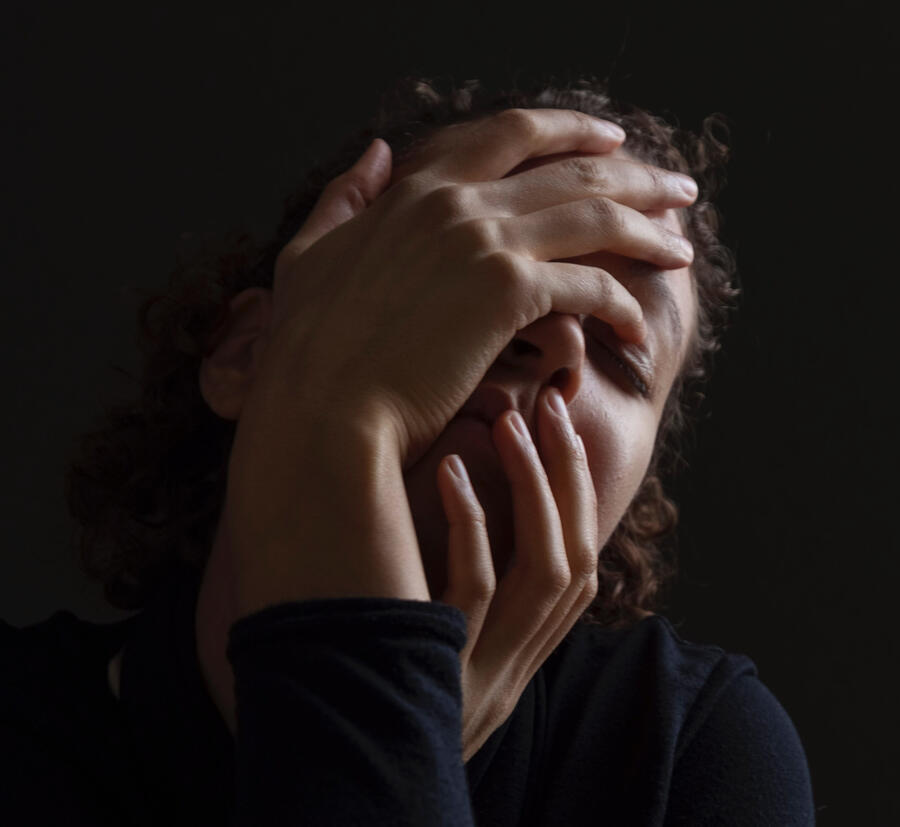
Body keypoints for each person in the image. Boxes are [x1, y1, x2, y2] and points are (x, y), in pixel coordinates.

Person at [1, 76, 816, 824]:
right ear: (247, 352)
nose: (552, 328)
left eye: (619, 348)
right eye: (472, 262)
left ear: (631, 493)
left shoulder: (691, 755)